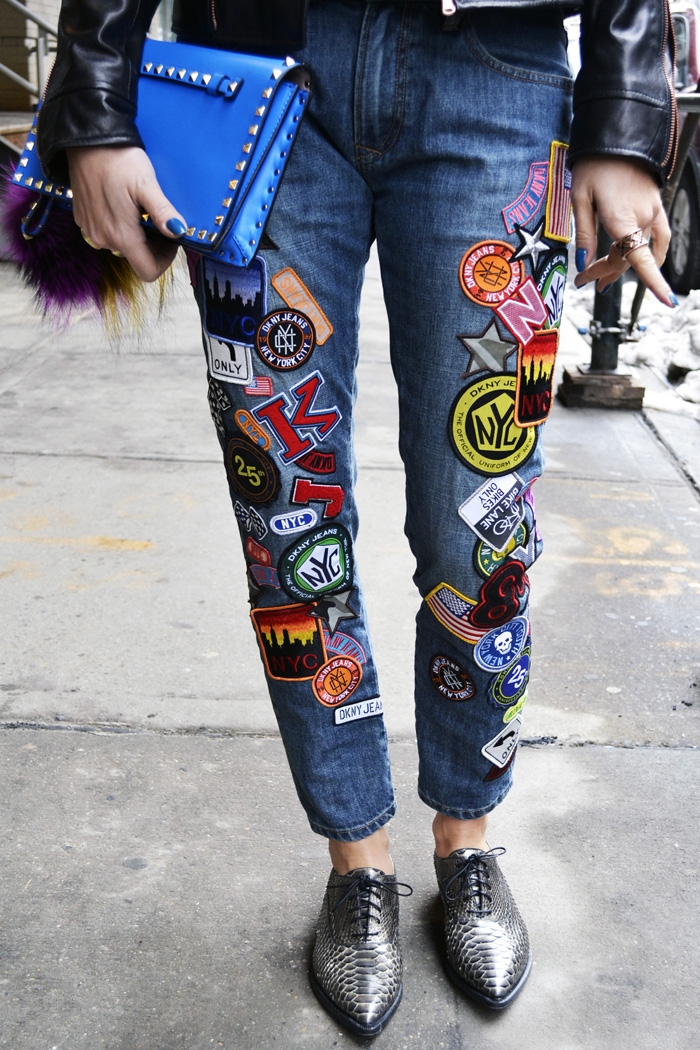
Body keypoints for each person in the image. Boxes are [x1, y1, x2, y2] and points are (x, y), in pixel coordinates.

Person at [35, 0, 676, 1037]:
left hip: (496, 75)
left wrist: (626, 116)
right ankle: (357, 860)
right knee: (286, 514)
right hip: (254, 69)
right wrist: (96, 103)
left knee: (482, 532)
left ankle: (466, 839)